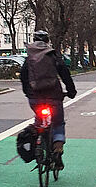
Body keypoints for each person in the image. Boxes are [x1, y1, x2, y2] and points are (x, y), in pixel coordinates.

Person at [20, 30, 77, 169]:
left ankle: (37, 143)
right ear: (47, 41)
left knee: (39, 120)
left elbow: (23, 76)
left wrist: (28, 92)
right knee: (58, 123)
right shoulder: (53, 55)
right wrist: (71, 91)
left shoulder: (30, 57)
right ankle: (57, 150)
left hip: (35, 98)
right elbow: (65, 74)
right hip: (54, 97)